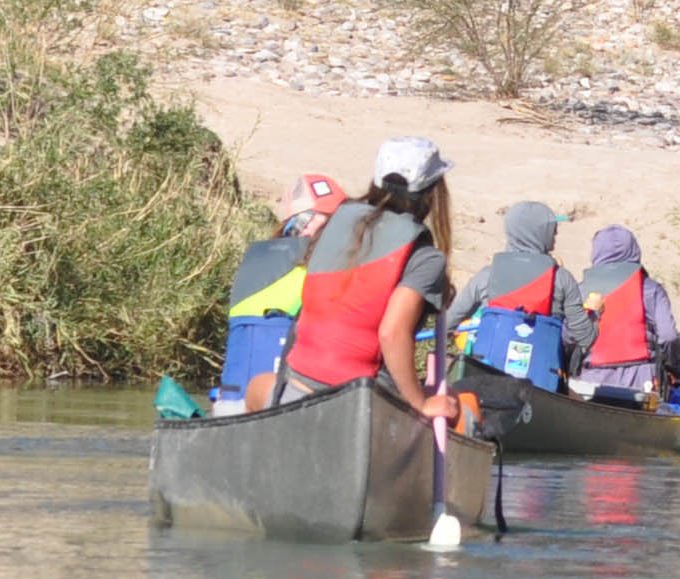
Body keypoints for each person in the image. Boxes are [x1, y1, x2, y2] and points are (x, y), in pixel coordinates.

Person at [270, 140, 455, 422]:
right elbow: (391, 334)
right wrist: (420, 404)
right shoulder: (426, 258)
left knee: (259, 384)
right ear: (433, 192)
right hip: (360, 397)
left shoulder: (337, 221)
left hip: (296, 383)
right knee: (463, 407)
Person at [214, 174, 344, 413]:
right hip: (266, 406)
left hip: (234, 402)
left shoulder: (262, 259)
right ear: (303, 223)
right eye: (331, 222)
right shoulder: (317, 267)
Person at [445, 200, 590, 397]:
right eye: (552, 229)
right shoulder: (562, 279)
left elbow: (448, 322)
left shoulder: (487, 276)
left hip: (486, 383)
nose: (555, 235)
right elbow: (584, 336)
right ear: (540, 233)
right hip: (542, 389)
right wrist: (596, 318)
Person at [571, 225, 676, 408]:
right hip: (640, 381)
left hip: (590, 381)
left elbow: (568, 336)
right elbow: (668, 336)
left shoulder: (580, 291)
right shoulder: (651, 289)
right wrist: (676, 368)